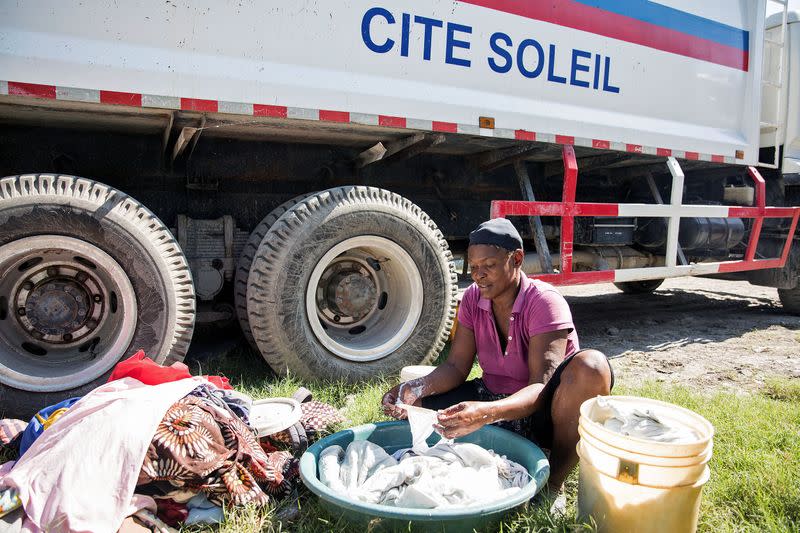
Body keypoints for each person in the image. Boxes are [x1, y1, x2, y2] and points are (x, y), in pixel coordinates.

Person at [382, 218, 613, 493]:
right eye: (474, 267)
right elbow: (456, 366)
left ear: (516, 259)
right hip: (492, 397)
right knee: (412, 409)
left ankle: (552, 484)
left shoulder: (544, 302)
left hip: (543, 411)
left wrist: (486, 414)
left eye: (489, 266)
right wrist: (413, 389)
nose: (479, 275)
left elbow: (539, 387)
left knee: (592, 366)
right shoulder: (471, 300)